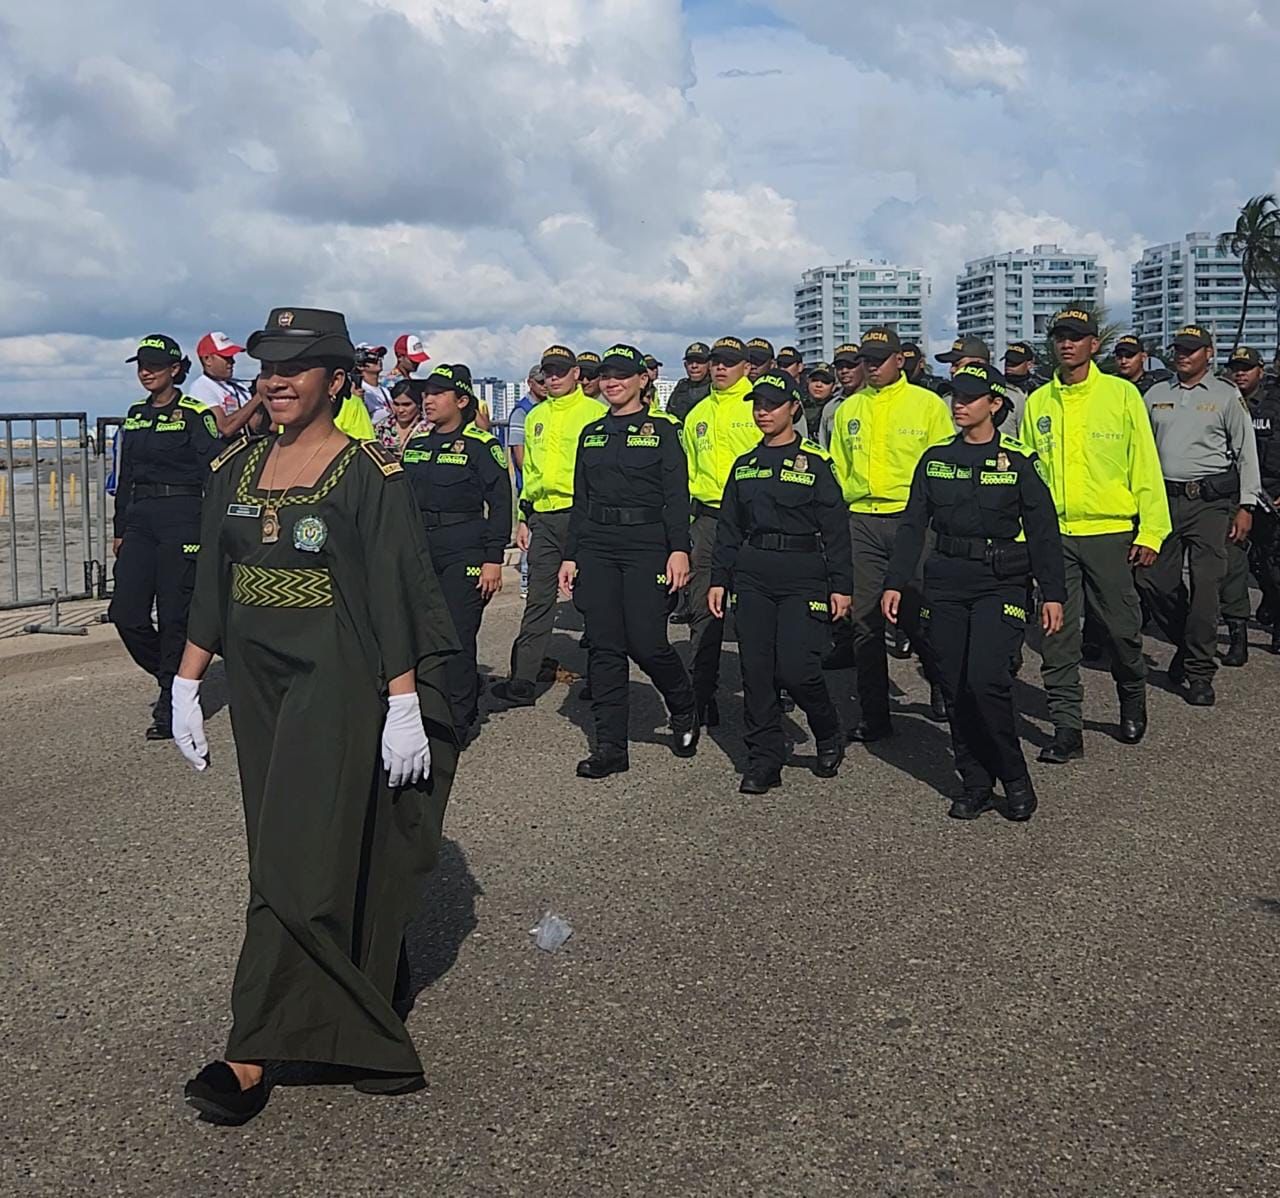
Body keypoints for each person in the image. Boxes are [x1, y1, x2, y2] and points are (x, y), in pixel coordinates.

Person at [171, 306, 459, 1125]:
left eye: (296, 366)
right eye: (267, 364)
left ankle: (254, 1050)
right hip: (259, 686)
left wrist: (403, 699)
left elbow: (394, 587)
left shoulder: (368, 472)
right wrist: (187, 682)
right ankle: (367, 985)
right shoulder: (235, 466)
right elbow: (211, 587)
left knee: (290, 862)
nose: (275, 379)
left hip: (337, 676)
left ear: (337, 380)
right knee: (295, 842)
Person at [884, 363, 1066, 822]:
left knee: (986, 680)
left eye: (969, 397)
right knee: (954, 684)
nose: (958, 404)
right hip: (946, 581)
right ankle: (975, 782)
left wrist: (1053, 593)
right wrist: (895, 582)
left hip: (999, 581)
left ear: (995, 404)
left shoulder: (1019, 460)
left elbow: (1043, 531)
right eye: (954, 396)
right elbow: (912, 526)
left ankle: (1014, 775)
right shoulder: (936, 459)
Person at [1019, 308, 1171, 760]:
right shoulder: (1039, 403)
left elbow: (1145, 465)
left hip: (1109, 532)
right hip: (1056, 536)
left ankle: (1132, 697)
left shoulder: (1122, 396)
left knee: (1123, 631)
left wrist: (1153, 531)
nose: (1067, 344)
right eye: (1060, 337)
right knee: (1057, 634)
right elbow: (1030, 476)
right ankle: (1067, 727)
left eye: (1077, 337)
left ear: (1093, 345)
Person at [557, 343, 697, 777]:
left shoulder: (663, 429)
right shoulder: (592, 432)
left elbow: (676, 496)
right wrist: (570, 555)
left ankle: (684, 705)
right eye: (606, 374)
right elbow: (582, 499)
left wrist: (680, 549)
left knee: (647, 641)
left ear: (643, 379)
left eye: (622, 374)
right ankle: (610, 748)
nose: (612, 381)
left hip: (646, 544)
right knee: (603, 646)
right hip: (597, 544)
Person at [709, 372, 852, 794]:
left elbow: (836, 529)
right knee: (756, 670)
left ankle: (827, 729)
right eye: (757, 405)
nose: (763, 412)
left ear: (793, 408)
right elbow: (729, 529)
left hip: (803, 573)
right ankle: (764, 757)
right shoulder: (746, 464)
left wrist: (841, 585)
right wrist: (719, 579)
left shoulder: (816, 463)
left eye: (772, 405)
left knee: (797, 668)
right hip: (753, 573)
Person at [829, 326, 954, 741]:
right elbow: (839, 468)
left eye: (879, 359)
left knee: (917, 617)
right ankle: (874, 714)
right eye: (865, 359)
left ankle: (941, 684)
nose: (871, 367)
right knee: (864, 621)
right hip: (862, 519)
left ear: (900, 359)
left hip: (911, 522)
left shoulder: (928, 405)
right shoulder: (849, 408)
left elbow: (943, 464)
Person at [1136, 324, 1261, 706]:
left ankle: (1200, 672)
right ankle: (1190, 646)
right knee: (1150, 579)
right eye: (1179, 349)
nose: (1182, 355)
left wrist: (1247, 505)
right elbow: (1139, 449)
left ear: (1209, 353)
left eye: (1191, 349)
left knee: (1207, 587)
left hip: (1209, 503)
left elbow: (1246, 451)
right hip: (1163, 501)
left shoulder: (1226, 395)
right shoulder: (1156, 394)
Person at [109, 335, 222, 740]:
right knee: (126, 614)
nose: (145, 371)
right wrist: (120, 528)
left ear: (175, 369)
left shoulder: (194, 413)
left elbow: (216, 471)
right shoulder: (135, 415)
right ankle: (172, 676)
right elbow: (125, 478)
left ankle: (169, 702)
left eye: (154, 364)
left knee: (176, 614)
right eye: (140, 364)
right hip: (141, 520)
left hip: (183, 517)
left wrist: (211, 527)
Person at [400, 364, 511, 740]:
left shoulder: (482, 446)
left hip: (464, 546)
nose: (427, 401)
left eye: (437, 394)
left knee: (457, 634)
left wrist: (493, 558)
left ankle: (460, 718)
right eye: (425, 394)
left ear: (461, 400)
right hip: (419, 548)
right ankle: (424, 707)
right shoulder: (416, 445)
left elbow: (500, 503)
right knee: (417, 633)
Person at [490, 344, 604, 706]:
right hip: (543, 515)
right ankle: (523, 678)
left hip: (583, 516)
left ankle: (601, 678)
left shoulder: (595, 413)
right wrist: (524, 516)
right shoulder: (536, 415)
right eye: (547, 372)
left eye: (559, 371)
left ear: (576, 375)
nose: (552, 378)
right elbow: (532, 473)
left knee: (593, 600)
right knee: (538, 598)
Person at [683, 335, 762, 725]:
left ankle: (766, 691)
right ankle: (702, 693)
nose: (719, 368)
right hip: (709, 520)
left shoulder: (758, 407)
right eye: (716, 361)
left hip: (755, 523)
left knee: (756, 613)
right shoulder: (697, 413)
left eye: (729, 362)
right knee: (703, 610)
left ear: (746, 366)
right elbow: (687, 474)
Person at [1221, 346, 1280, 654]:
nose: (1240, 373)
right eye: (1236, 368)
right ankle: (1238, 628)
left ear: (1261, 370)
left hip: (1272, 494)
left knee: (1272, 564)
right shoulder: (1224, 399)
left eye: (1246, 368)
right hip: (1235, 495)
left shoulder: (1275, 402)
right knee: (1237, 564)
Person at [508, 366, 548, 599]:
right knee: (529, 535)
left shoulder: (545, 408)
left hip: (544, 484)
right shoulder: (521, 412)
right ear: (530, 382)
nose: (545, 385)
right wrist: (533, 476)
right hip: (530, 485)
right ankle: (526, 581)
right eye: (540, 381)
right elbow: (519, 453)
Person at [187, 332, 261, 438]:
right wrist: (258, 397)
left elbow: (255, 426)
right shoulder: (201, 387)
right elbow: (225, 429)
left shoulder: (239, 386)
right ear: (207, 359)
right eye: (226, 357)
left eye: (232, 357)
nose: (232, 361)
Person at [820, 343, 864, 452]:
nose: (844, 371)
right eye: (840, 367)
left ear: (863, 366)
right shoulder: (830, 408)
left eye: (850, 366)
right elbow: (824, 447)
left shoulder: (876, 400)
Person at [376, 380, 432, 457]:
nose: (400, 410)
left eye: (406, 405)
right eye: (396, 404)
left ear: (418, 404)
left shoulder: (430, 428)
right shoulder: (382, 427)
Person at [667, 342, 713, 422]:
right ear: (685, 365)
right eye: (690, 362)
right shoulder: (681, 389)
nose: (694, 366)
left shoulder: (716, 389)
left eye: (699, 361)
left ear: (709, 364)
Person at [356, 343, 392, 422]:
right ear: (360, 365)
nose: (379, 359)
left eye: (380, 356)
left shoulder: (385, 391)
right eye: (373, 357)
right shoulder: (358, 390)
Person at [806, 363, 837, 448]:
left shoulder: (839, 407)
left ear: (833, 387)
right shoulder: (797, 406)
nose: (818, 385)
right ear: (808, 381)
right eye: (815, 380)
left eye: (825, 382)